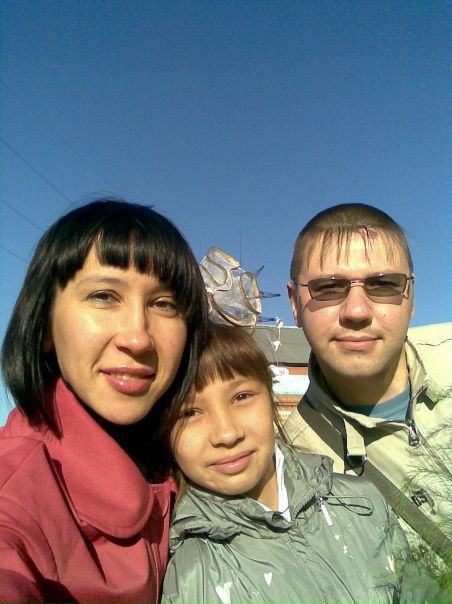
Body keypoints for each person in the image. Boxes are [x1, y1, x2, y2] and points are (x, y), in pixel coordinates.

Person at [0, 198, 209, 603]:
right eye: (103, 296)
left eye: (163, 304)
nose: (138, 337)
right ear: (44, 326)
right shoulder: (15, 494)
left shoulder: (197, 459)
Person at [161, 322, 406, 604]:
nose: (227, 434)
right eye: (189, 413)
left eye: (241, 397)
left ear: (270, 398)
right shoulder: (194, 577)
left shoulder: (361, 502)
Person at [285, 203, 452, 564]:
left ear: (411, 296)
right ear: (295, 303)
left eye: (383, 284)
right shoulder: (292, 464)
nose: (357, 311)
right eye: (329, 287)